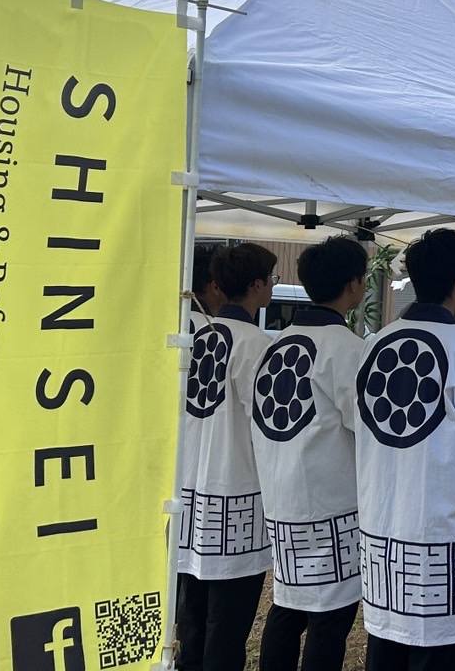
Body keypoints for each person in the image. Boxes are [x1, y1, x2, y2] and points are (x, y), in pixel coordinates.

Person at [354, 228, 455, 671]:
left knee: (386, 645)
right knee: (437, 650)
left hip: (385, 528)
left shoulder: (373, 345)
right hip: (445, 531)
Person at [249, 236, 371, 671]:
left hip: (281, 496)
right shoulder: (349, 351)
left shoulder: (274, 346)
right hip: (330, 499)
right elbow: (370, 430)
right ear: (354, 284)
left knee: (288, 603)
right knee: (331, 614)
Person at [175, 242, 275, 671]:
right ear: (256, 285)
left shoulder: (193, 336)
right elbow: (269, 425)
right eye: (270, 280)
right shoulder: (256, 345)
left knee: (192, 614)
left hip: (190, 488)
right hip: (236, 493)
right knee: (228, 625)